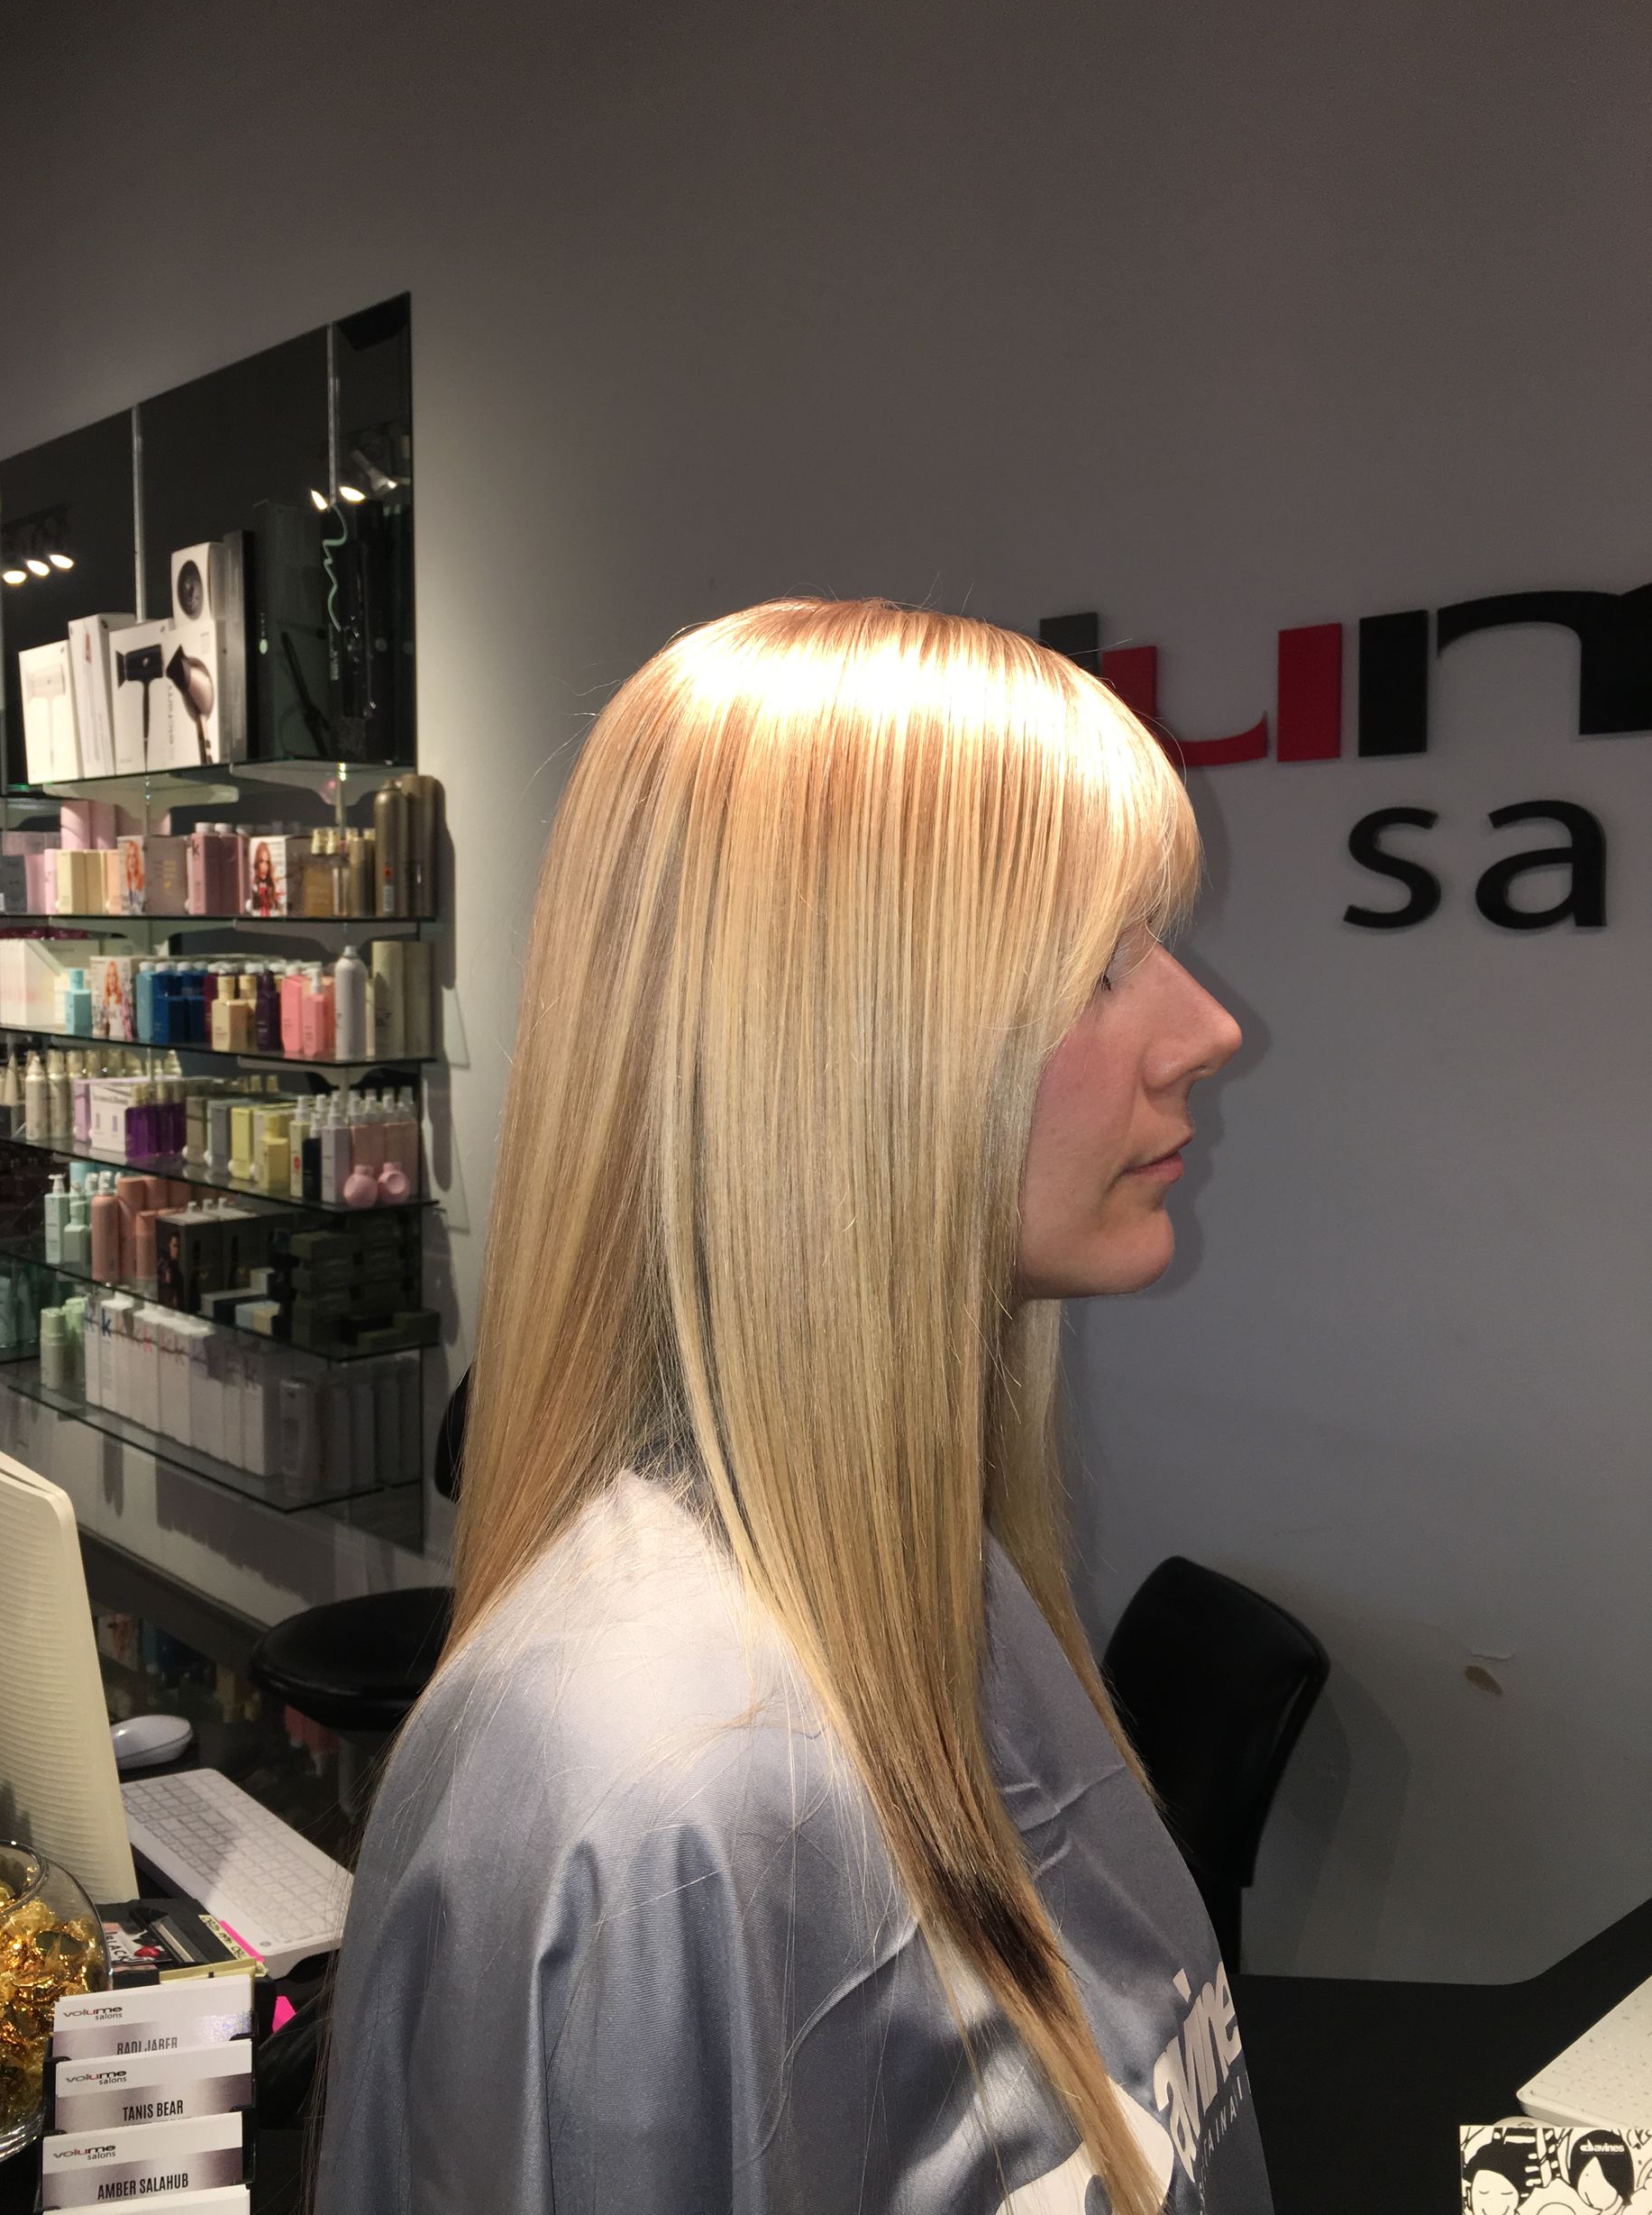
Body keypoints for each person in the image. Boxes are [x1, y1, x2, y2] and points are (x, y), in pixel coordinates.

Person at [316, 600, 1259, 2213]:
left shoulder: (927, 1575)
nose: (1207, 1030)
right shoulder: (640, 1792)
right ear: (835, 1046)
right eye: (1101, 962)